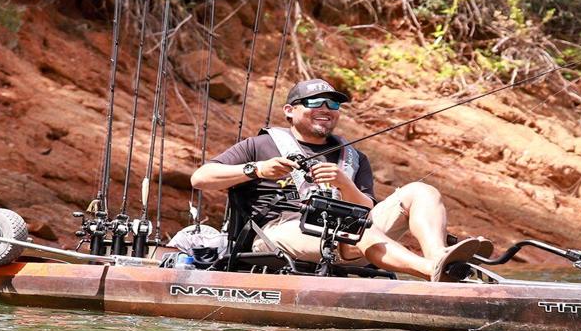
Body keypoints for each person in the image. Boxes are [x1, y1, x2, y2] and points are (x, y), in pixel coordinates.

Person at [190, 78, 492, 281]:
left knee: (420, 190)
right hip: (279, 232)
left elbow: (367, 211)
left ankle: (439, 256)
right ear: (290, 111)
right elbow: (200, 178)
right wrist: (256, 170)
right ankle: (432, 271)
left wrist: (344, 184)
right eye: (315, 103)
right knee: (354, 233)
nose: (326, 110)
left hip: (350, 232)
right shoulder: (260, 146)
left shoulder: (354, 158)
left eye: (333, 105)